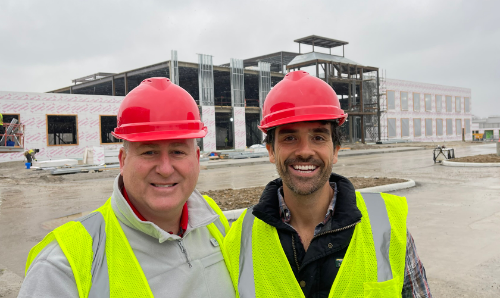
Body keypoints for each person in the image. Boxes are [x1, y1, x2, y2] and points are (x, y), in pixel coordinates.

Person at [19, 78, 235, 297]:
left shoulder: (213, 221)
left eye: (178, 151)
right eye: (149, 152)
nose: (165, 169)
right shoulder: (63, 264)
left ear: (197, 159)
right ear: (123, 161)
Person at [224, 71, 432, 297]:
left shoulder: (386, 226)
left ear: (335, 151)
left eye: (319, 137)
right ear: (271, 151)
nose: (305, 151)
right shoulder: (239, 238)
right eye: (289, 138)